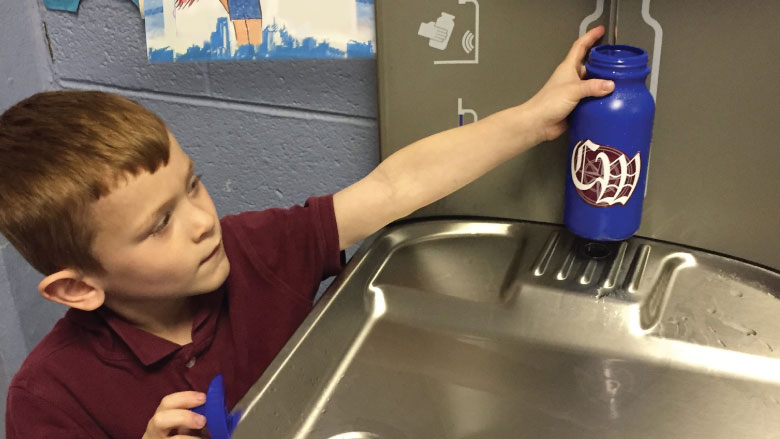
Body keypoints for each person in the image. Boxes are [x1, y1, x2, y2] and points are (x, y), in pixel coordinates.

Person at [1, 27, 614, 438]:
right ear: (77, 289)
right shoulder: (49, 399)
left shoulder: (252, 251)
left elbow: (391, 190)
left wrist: (532, 121)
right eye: (158, 226)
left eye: (192, 185)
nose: (201, 221)